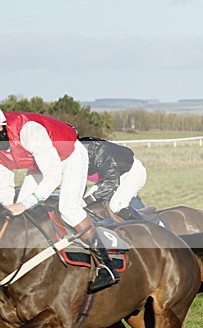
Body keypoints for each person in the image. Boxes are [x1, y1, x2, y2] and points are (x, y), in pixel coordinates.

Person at [0, 110, 119, 291]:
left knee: (68, 209)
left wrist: (23, 204)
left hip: (70, 156)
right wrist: (7, 210)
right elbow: (4, 188)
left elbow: (53, 176)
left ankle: (106, 266)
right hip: (39, 164)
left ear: (1, 127)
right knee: (19, 213)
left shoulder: (28, 131)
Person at [80, 136, 147, 218]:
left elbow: (112, 182)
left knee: (115, 206)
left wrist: (88, 200)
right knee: (86, 205)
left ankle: (144, 224)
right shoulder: (76, 152)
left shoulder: (96, 151)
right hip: (114, 176)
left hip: (132, 173)